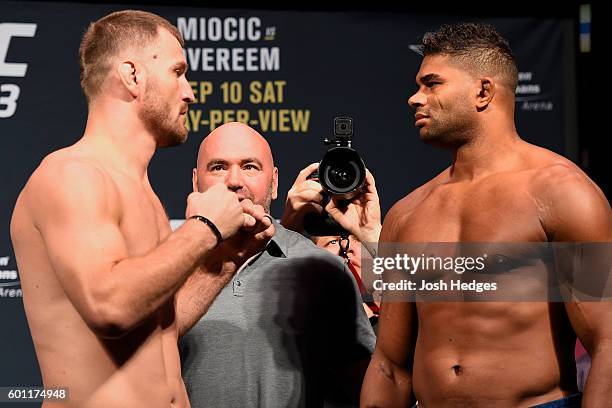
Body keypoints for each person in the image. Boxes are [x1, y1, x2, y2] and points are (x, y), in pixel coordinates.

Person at [10, 11, 273, 408]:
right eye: (177, 72)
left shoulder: (143, 192)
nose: (189, 92)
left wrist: (223, 262)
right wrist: (203, 227)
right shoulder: (73, 175)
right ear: (132, 75)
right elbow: (110, 307)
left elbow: (160, 328)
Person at [360, 22, 611, 407]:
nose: (415, 98)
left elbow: (606, 342)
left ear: (483, 91)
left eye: (432, 83)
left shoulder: (564, 194)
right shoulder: (406, 214)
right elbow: (390, 366)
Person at [178, 122, 376, 408]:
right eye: (218, 167)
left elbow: (375, 389)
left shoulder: (321, 269)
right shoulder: (166, 266)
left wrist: (374, 238)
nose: (234, 180)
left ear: (274, 183)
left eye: (250, 167)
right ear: (196, 181)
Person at [281, 163, 383, 324]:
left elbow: (430, 293)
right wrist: (288, 227)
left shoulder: (400, 314)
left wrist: (371, 233)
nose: (348, 249)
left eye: (357, 240)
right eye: (333, 241)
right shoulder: (300, 320)